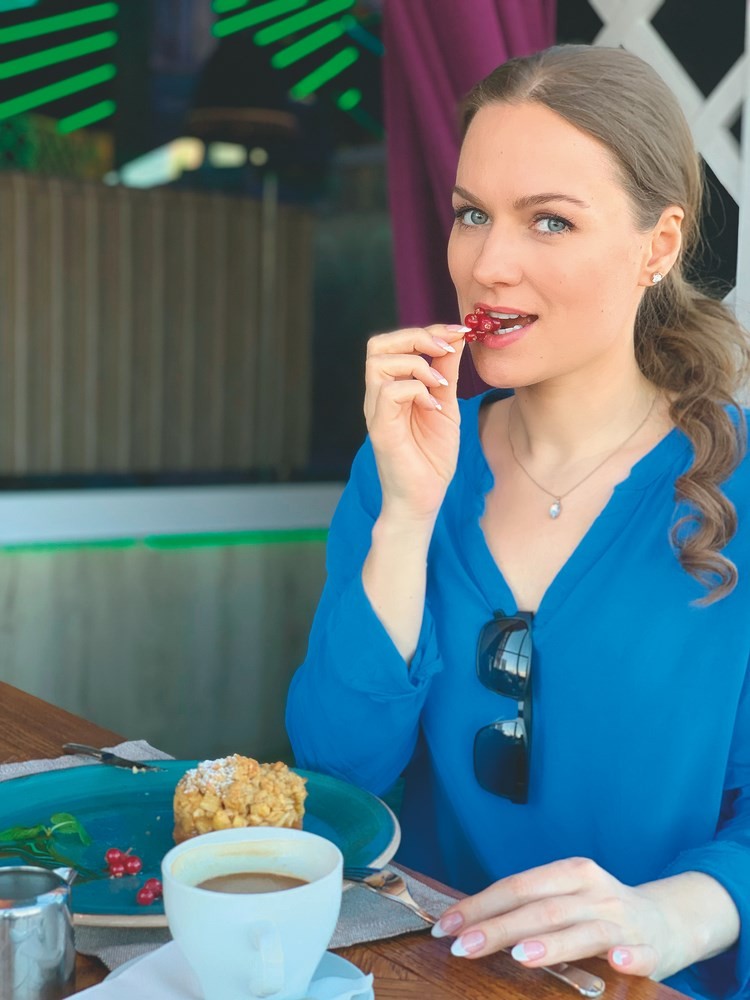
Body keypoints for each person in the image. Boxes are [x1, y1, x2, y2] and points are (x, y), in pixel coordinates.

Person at [286, 44, 750, 1000]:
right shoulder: (405, 464)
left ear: (658, 246)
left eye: (550, 220)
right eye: (472, 214)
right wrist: (406, 517)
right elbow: (336, 775)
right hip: (429, 975)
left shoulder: (738, 482)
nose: (488, 265)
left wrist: (670, 915)